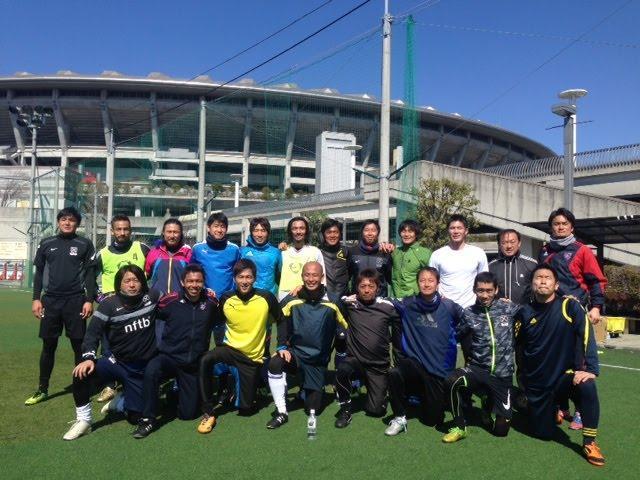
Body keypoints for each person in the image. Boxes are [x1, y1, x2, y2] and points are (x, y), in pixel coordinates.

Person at [515, 264, 604, 467]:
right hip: (538, 385)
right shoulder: (523, 313)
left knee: (587, 385)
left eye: (547, 277)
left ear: (556, 285)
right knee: (543, 434)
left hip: (564, 378)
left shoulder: (569, 306)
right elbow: (519, 351)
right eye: (538, 277)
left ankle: (589, 442)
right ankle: (548, 408)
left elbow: (586, 334)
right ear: (532, 284)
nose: (542, 280)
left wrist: (590, 369)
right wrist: (523, 384)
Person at [63, 265, 160, 440]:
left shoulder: (151, 297)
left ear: (142, 282)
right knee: (81, 373)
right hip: (117, 363)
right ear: (119, 284)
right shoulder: (109, 304)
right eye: (127, 281)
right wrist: (88, 358)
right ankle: (84, 420)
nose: (132, 285)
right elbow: (92, 333)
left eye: (136, 280)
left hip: (139, 369)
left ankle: (122, 401)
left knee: (135, 417)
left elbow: (174, 301)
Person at [197, 259, 283, 434]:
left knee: (246, 409)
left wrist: (282, 346)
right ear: (235, 278)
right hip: (229, 350)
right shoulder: (226, 298)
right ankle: (208, 410)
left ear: (254, 278)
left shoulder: (266, 297)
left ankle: (244, 385)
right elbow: (214, 320)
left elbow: (281, 320)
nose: (244, 281)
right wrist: (205, 295)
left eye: (248, 277)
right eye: (241, 277)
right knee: (206, 359)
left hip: (251, 359)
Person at [133, 264, 219, 438]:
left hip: (192, 364)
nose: (194, 285)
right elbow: (149, 316)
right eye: (190, 281)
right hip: (169, 357)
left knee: (188, 414)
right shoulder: (169, 301)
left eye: (198, 281)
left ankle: (173, 394)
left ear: (203, 283)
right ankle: (148, 419)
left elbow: (220, 320)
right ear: (182, 282)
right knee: (152, 369)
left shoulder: (211, 303)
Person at [25, 207, 96, 406]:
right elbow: (39, 273)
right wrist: (36, 298)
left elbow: (90, 275)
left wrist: (89, 300)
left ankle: (82, 387)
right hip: (51, 301)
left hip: (76, 301)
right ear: (58, 222)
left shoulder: (84, 244)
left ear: (77, 224)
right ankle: (42, 389)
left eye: (71, 220)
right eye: (64, 219)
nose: (67, 223)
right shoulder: (47, 243)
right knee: (48, 345)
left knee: (78, 346)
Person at [266, 262, 348, 430]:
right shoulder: (292, 299)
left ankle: (310, 387)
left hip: (317, 361)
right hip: (295, 355)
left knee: (313, 408)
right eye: (307, 275)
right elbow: (280, 320)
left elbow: (346, 328)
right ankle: (281, 412)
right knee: (275, 363)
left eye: (315, 275)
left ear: (322, 277)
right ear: (302, 276)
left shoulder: (333, 300)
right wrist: (281, 346)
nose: (311, 279)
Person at [384, 267, 464, 436]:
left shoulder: (449, 306)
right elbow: (385, 301)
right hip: (416, 363)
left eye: (430, 280)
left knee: (432, 420)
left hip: (438, 370)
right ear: (417, 283)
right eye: (422, 280)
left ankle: (422, 397)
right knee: (394, 372)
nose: (426, 284)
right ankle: (399, 417)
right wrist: (353, 298)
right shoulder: (408, 303)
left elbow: (467, 319)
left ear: (438, 283)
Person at [442, 271, 520, 443]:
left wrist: (565, 298)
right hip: (478, 369)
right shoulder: (469, 313)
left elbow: (534, 314)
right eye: (480, 290)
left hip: (502, 375)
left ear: (496, 290)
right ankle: (459, 427)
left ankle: (492, 400)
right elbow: (454, 336)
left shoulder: (509, 308)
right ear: (474, 290)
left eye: (489, 290)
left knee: (500, 431)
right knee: (451, 380)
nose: (485, 295)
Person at [93, 214, 150, 403]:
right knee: (108, 346)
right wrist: (100, 297)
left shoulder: (142, 248)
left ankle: (132, 385)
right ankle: (109, 385)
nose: (122, 232)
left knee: (136, 347)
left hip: (138, 307)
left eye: (126, 229)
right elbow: (88, 277)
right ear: (112, 231)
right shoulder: (103, 253)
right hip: (112, 309)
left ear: (130, 230)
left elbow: (154, 269)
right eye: (118, 229)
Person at [334, 269, 399, 428]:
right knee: (342, 370)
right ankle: (345, 410)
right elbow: (332, 301)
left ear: (378, 288)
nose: (367, 290)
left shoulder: (388, 306)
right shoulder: (350, 303)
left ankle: (378, 390)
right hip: (356, 360)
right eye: (362, 286)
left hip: (378, 365)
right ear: (357, 288)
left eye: (371, 286)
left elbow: (408, 307)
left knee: (376, 411)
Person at [539, 208, 607, 325]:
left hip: (574, 310)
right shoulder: (544, 251)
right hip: (547, 310)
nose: (561, 227)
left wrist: (596, 307)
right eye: (556, 224)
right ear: (551, 227)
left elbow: (597, 281)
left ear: (572, 227)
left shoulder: (582, 250)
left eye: (565, 223)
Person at [429, 214, 488, 308]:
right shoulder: (437, 255)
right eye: (452, 228)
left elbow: (484, 281)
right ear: (448, 231)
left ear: (466, 231)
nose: (456, 231)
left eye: (459, 228)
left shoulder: (478, 253)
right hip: (445, 307)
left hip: (471, 308)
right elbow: (432, 281)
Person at [191, 212, 241, 298]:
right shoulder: (198, 249)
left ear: (226, 229)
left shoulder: (234, 249)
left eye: (222, 226)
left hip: (228, 298)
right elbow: (191, 274)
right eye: (216, 226)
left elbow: (239, 274)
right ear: (208, 228)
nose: (219, 230)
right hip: (204, 298)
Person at [277, 216, 325, 301]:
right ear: (290, 231)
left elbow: (323, 279)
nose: (298, 232)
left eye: (302, 228)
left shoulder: (315, 252)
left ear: (306, 231)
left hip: (309, 299)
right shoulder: (283, 252)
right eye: (294, 228)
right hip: (285, 299)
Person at [488, 229, 536, 304]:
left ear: (519, 243)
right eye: (504, 243)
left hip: (525, 310)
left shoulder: (532, 264)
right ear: (499, 244)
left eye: (512, 242)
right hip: (499, 310)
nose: (509, 246)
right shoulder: (491, 266)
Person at [145, 218, 192, 295]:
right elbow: (146, 277)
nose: (172, 236)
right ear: (163, 233)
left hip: (180, 300)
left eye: (175, 232)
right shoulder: (153, 253)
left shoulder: (188, 254)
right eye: (169, 232)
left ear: (181, 234)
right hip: (157, 299)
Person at [347, 219, 392, 296]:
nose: (370, 233)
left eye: (373, 230)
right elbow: (345, 278)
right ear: (362, 233)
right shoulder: (352, 252)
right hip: (357, 299)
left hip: (379, 299)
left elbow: (391, 279)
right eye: (366, 230)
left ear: (378, 233)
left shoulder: (385, 253)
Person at [240, 217, 281, 297]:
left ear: (268, 233)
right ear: (251, 232)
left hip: (269, 297)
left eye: (263, 230)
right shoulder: (242, 251)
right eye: (256, 230)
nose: (259, 234)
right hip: (248, 297)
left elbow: (280, 276)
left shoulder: (276, 252)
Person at [390, 219, 432, 298]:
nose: (406, 234)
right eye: (403, 231)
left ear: (416, 233)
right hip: (395, 299)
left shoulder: (424, 253)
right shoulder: (395, 253)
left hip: (415, 299)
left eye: (410, 231)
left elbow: (432, 277)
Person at [318, 218, 350, 298]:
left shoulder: (347, 251)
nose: (332, 235)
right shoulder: (317, 253)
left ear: (340, 234)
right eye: (329, 232)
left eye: (335, 232)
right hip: (324, 298)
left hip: (343, 298)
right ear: (323, 235)